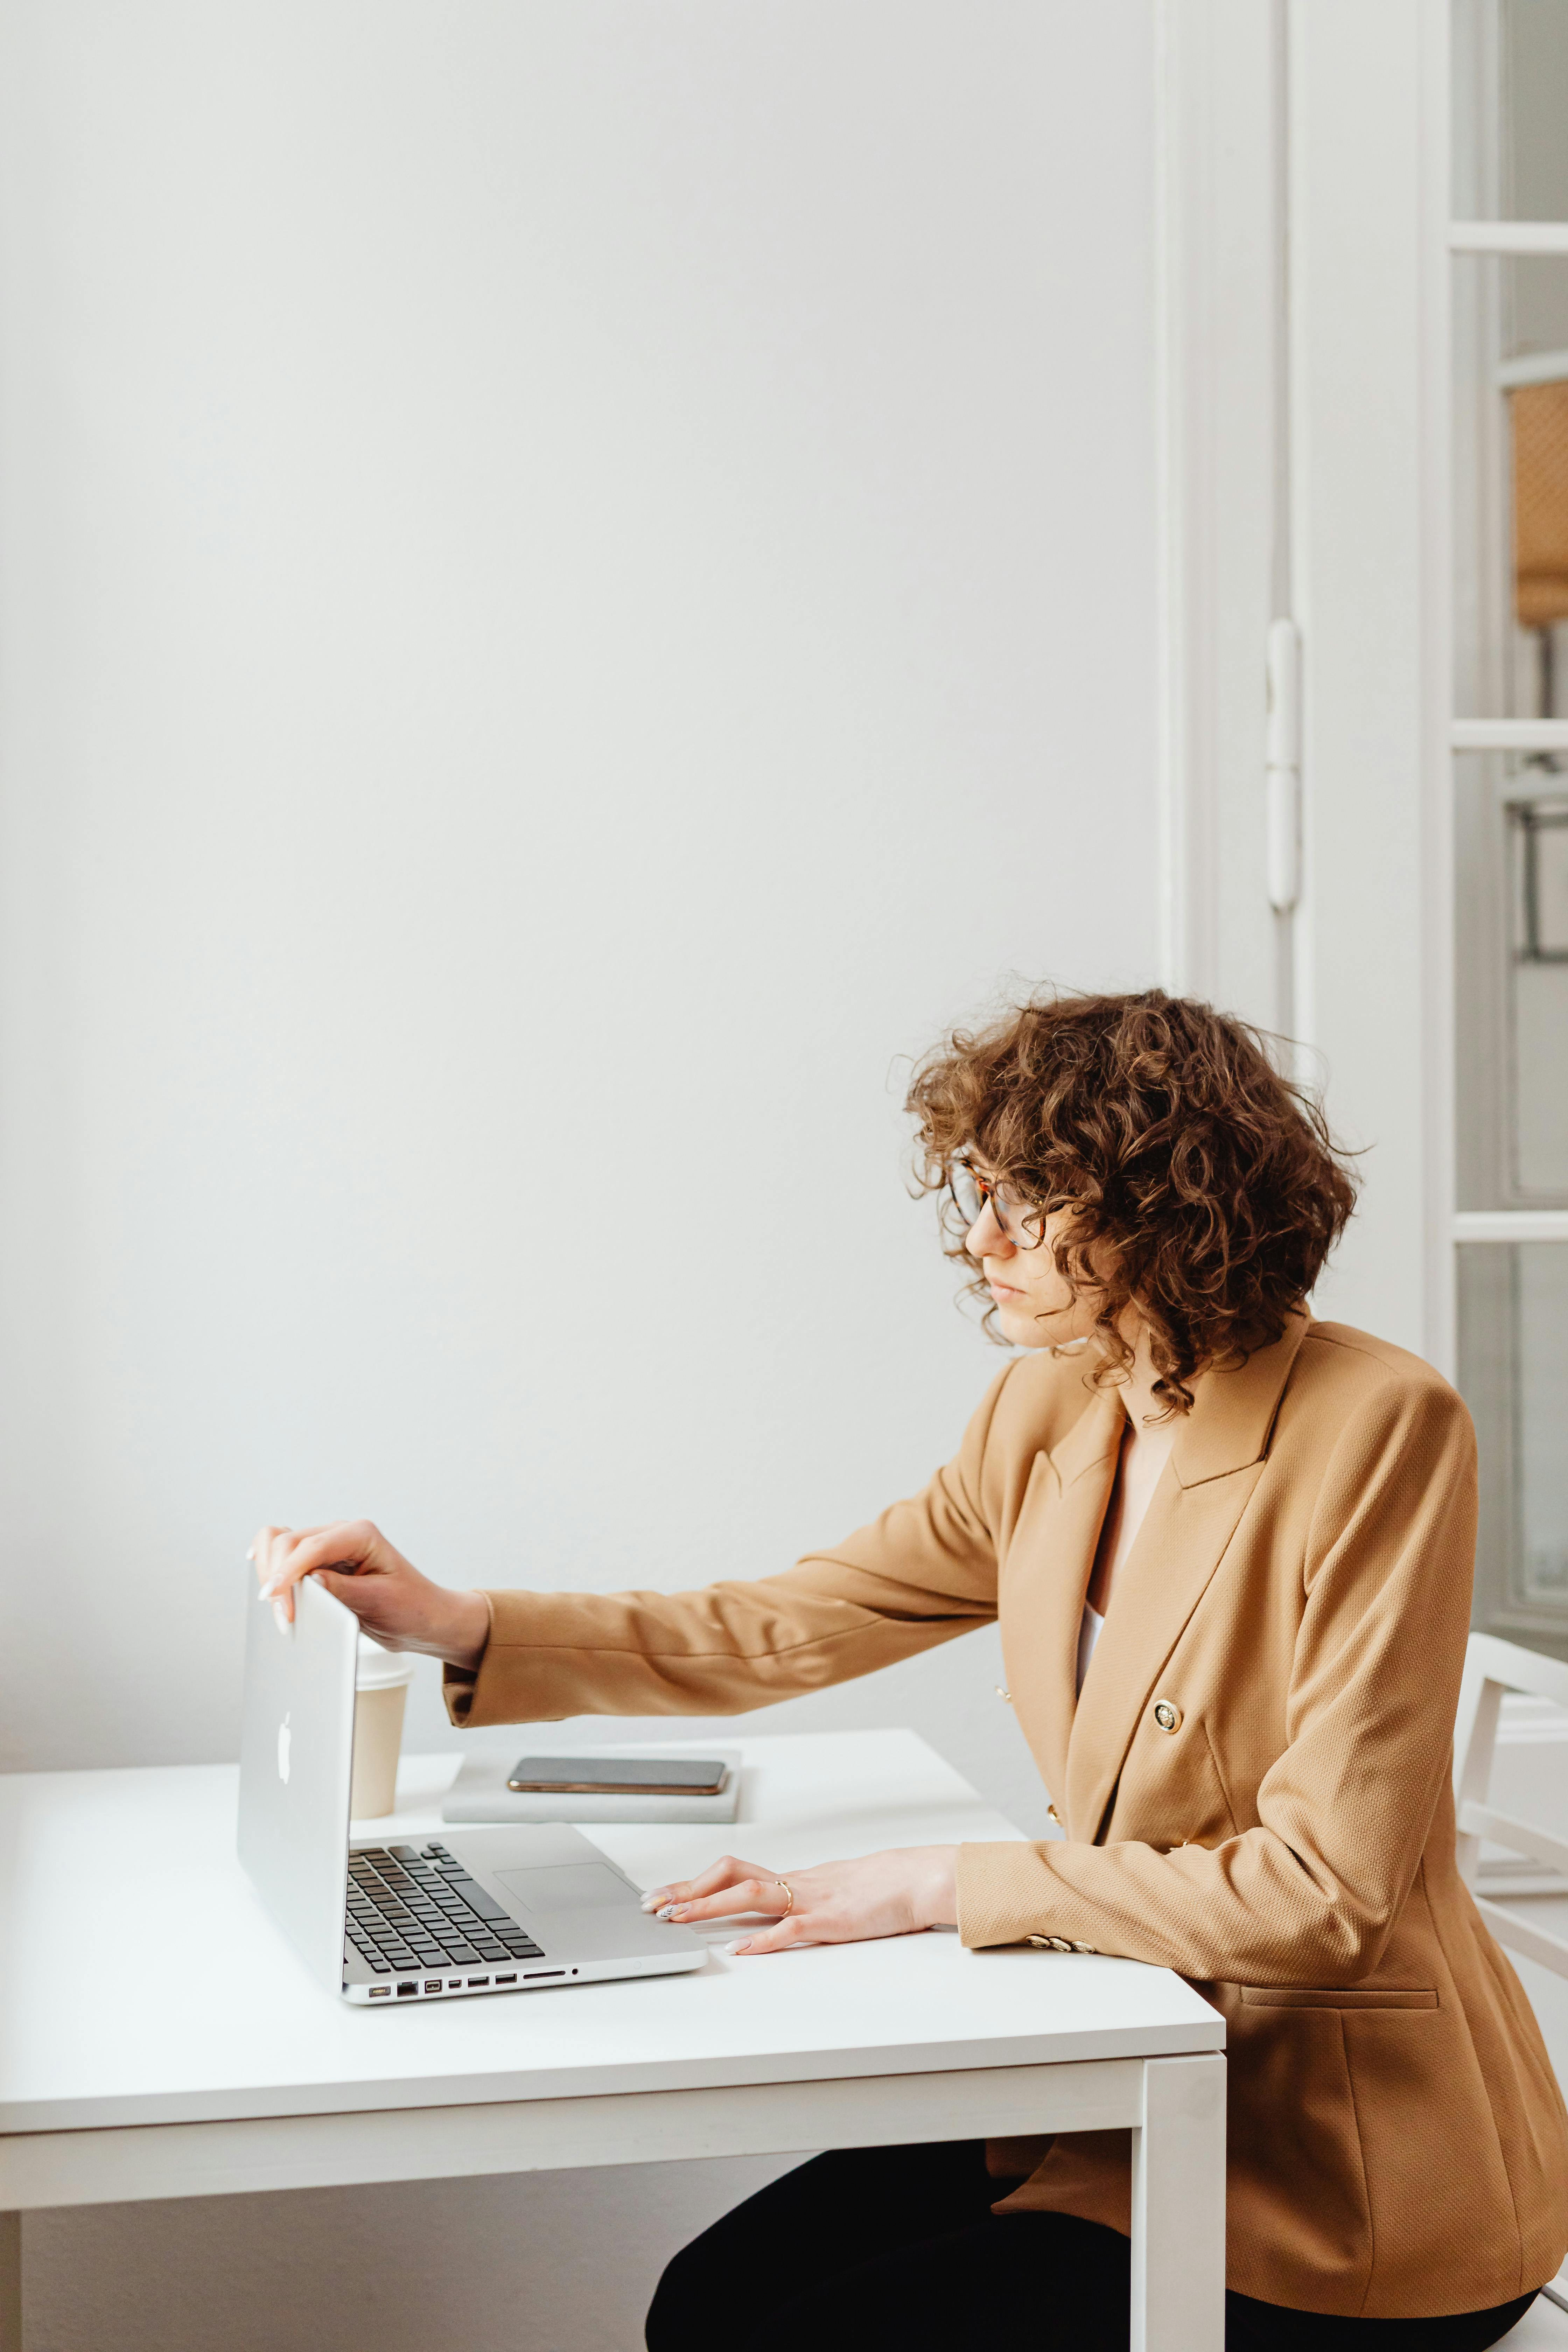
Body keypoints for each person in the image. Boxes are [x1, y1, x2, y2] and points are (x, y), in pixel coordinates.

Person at [252, 989, 1568, 2351]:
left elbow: (1324, 1896)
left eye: (1031, 1201)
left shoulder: (1379, 1426)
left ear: (1166, 1207)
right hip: (1123, 2076)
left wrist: (936, 1882)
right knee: (704, 2307)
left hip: (1350, 2182)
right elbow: (800, 1619)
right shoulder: (1052, 1406)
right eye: (980, 1191)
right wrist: (460, 1623)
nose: (982, 1239)